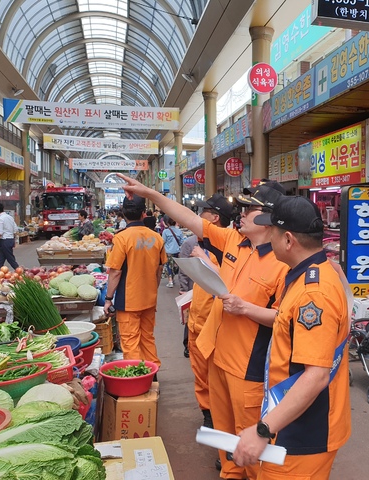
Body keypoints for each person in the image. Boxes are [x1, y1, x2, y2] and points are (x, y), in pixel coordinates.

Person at [118, 175, 289, 480]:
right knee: (223, 433)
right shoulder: (235, 241)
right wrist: (150, 193)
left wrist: (246, 308)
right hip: (217, 356)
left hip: (247, 368)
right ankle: (229, 474)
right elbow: (188, 218)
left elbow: (285, 317)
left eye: (249, 209)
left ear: (268, 218)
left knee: (248, 437)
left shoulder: (283, 262)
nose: (241, 215)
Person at [232, 196, 351, 479]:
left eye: (271, 231)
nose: (267, 238)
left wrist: (263, 429)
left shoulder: (314, 293)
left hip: (304, 430)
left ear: (287, 240)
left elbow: (316, 375)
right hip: (294, 418)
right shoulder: (307, 275)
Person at [184, 193, 233, 429]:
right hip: (197, 322)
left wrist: (204, 259)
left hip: (215, 329)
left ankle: (219, 425)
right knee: (201, 377)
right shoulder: (203, 246)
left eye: (202, 213)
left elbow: (228, 285)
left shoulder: (226, 250)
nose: (197, 217)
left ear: (214, 219)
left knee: (218, 383)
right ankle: (208, 416)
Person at [104, 195, 167, 367]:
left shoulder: (121, 238)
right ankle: (153, 373)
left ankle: (138, 377)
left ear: (123, 213)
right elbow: (159, 270)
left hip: (128, 300)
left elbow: (115, 272)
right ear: (143, 214)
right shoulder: (157, 238)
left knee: (130, 341)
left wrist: (108, 299)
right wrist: (152, 290)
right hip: (149, 298)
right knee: (147, 337)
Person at [0, 202, 19, 274]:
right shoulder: (9, 217)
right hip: (10, 239)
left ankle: (20, 272)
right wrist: (15, 240)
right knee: (1, 259)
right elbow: (15, 229)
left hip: (4, 241)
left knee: (10, 259)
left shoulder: (0, 219)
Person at [161, 216, 184, 288]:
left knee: (169, 266)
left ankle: (170, 281)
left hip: (168, 252)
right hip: (177, 251)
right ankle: (173, 279)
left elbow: (163, 241)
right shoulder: (179, 231)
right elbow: (181, 242)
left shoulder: (165, 231)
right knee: (175, 266)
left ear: (167, 223)